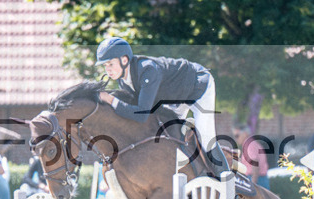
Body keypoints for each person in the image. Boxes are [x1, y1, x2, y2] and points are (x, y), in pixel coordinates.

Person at [94, 37, 240, 187]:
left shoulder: (147, 70)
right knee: (166, 134)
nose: (108, 69)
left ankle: (231, 192)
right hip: (176, 97)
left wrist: (112, 101)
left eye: (110, 64)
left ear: (124, 60)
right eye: (105, 65)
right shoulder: (123, 80)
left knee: (207, 138)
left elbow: (141, 114)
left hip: (198, 87)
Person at [233, 123, 270, 190]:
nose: (236, 139)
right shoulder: (252, 144)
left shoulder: (249, 145)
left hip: (256, 179)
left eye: (237, 136)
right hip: (260, 179)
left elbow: (255, 164)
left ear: (245, 134)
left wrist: (252, 185)